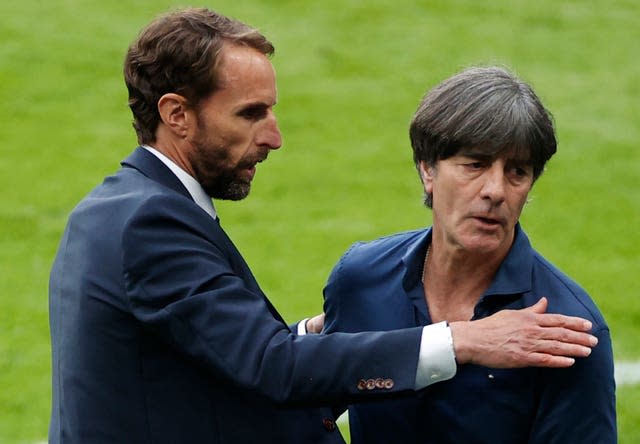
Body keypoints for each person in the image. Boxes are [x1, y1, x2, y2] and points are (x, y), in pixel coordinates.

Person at [48, 9, 598, 444]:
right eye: (250, 113)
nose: (274, 137)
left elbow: (216, 356)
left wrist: (319, 332)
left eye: (517, 172)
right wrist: (463, 340)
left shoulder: (118, 207)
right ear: (177, 114)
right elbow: (269, 368)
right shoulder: (151, 220)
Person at [323, 66, 616, 443]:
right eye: (475, 164)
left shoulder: (567, 330)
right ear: (427, 169)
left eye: (517, 172)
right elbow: (304, 407)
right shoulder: (360, 280)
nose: (495, 190)